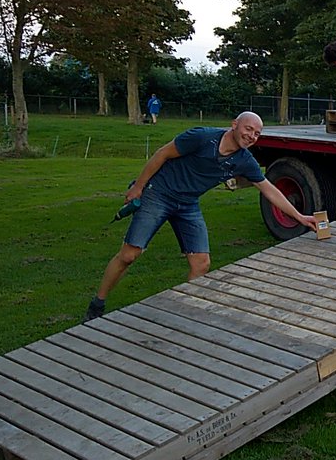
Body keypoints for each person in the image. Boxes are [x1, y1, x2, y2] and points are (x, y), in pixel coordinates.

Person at [85, 111, 319, 320]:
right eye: (249, 129)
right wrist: (138, 187)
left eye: (257, 134)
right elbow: (162, 154)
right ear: (235, 124)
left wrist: (300, 216)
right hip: (159, 194)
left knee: (201, 263)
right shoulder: (201, 137)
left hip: (187, 204)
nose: (252, 136)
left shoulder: (244, 161)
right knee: (129, 255)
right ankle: (98, 303)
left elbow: (269, 189)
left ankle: (186, 312)